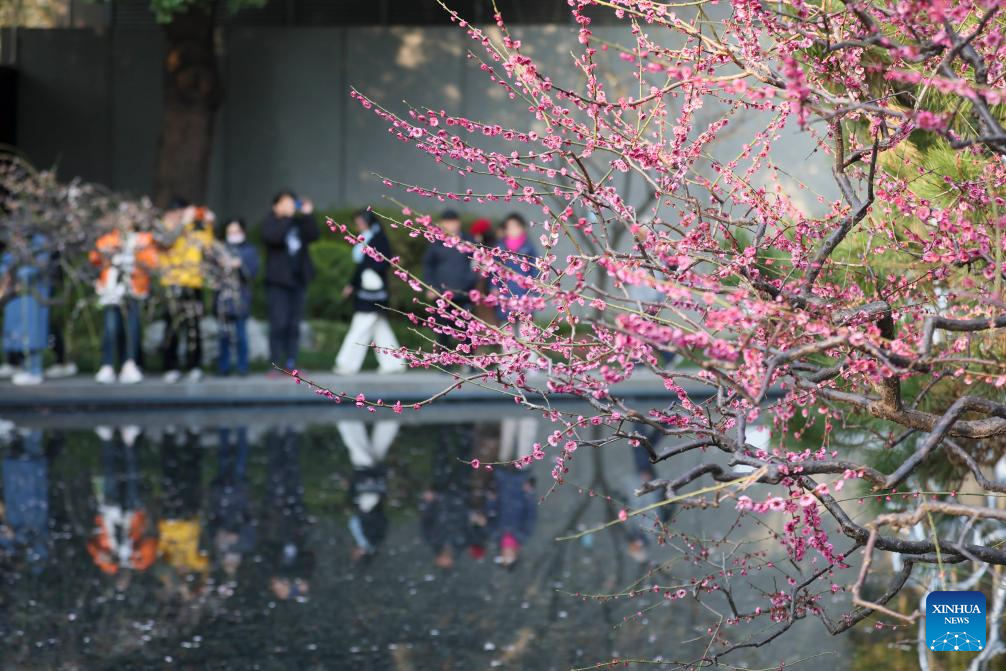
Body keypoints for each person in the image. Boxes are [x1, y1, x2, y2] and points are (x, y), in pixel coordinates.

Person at [333, 210, 405, 374]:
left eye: (360, 221)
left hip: (373, 289)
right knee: (379, 328)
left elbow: (379, 263)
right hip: (366, 287)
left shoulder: (378, 238)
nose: (359, 225)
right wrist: (353, 283)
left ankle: (347, 363)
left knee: (361, 325)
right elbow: (361, 266)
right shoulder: (367, 237)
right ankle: (393, 363)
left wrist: (354, 282)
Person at [90, 222, 159, 384]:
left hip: (133, 289)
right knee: (110, 328)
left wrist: (136, 255)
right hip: (112, 291)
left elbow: (152, 261)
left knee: (132, 328)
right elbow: (94, 257)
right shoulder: (108, 239)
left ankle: (130, 363)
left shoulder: (143, 239)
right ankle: (107, 365)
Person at [261, 190, 319, 372]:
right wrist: (287, 217)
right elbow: (274, 238)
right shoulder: (270, 223)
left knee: (294, 325)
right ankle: (275, 364)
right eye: (285, 203)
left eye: (291, 203)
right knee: (279, 323)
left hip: (298, 281)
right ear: (275, 206)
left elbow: (314, 235)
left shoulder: (298, 222)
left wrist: (308, 214)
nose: (289, 206)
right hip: (278, 282)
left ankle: (291, 362)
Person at [159, 200, 214, 384]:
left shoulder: (195, 227)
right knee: (172, 327)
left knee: (194, 327)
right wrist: (182, 223)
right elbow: (166, 240)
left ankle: (194, 366)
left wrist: (208, 224)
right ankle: (170, 366)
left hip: (193, 283)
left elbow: (208, 248)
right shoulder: (165, 226)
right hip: (172, 282)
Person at [0, 233, 52, 386]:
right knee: (17, 333)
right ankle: (22, 366)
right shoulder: (15, 246)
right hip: (16, 296)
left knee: (32, 333)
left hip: (34, 295)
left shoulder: (40, 243)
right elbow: (5, 264)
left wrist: (20, 273)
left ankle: (34, 369)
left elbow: (41, 267)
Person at [422, 209, 477, 349]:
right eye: (446, 222)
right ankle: (445, 363)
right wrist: (430, 286)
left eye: (452, 222)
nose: (449, 226)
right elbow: (428, 266)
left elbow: (476, 265)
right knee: (443, 329)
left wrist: (469, 283)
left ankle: (469, 363)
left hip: (464, 292)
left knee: (467, 329)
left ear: (458, 223)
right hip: (442, 292)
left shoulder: (469, 241)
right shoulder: (436, 242)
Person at [215, 219, 259, 376]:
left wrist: (239, 265)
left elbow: (252, 273)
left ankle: (243, 368)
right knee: (223, 335)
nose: (233, 235)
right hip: (223, 299)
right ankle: (223, 367)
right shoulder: (220, 249)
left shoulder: (249, 250)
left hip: (241, 298)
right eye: (230, 232)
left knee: (241, 335)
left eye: (236, 231)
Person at [495, 212, 539, 326]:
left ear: (522, 228)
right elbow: (493, 270)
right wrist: (493, 287)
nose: (513, 230)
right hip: (505, 294)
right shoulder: (499, 249)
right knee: (506, 332)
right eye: (509, 227)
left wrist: (534, 293)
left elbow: (536, 271)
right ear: (505, 230)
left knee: (525, 333)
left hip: (524, 294)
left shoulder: (529, 248)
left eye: (516, 226)